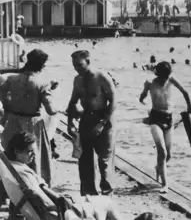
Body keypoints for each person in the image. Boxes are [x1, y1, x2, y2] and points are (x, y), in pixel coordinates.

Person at [4, 131, 137, 220]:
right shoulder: (22, 172)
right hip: (58, 213)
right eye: (29, 152)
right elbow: (42, 200)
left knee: (103, 202)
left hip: (49, 211)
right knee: (107, 204)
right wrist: (66, 206)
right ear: (17, 151)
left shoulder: (11, 168)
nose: (33, 156)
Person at [0, 49, 61, 186]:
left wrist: (8, 106)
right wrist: (59, 107)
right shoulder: (42, 83)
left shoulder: (12, 79)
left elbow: (2, 92)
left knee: (12, 156)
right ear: (41, 65)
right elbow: (51, 110)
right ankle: (37, 187)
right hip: (32, 124)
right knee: (35, 157)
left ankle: (10, 188)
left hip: (13, 121)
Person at [67, 50, 117, 196]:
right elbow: (72, 102)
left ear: (88, 62)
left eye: (80, 65)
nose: (77, 68)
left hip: (104, 118)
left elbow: (114, 101)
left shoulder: (101, 77)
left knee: (104, 159)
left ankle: (107, 193)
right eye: (75, 66)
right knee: (84, 159)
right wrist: (70, 123)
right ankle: (88, 194)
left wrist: (102, 123)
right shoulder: (77, 80)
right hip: (87, 119)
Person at [139, 61, 191, 193]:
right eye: (163, 77)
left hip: (169, 119)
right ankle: (164, 184)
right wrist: (144, 100)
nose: (165, 80)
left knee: (169, 156)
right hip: (155, 119)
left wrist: (190, 107)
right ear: (157, 74)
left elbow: (185, 92)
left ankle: (158, 168)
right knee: (162, 151)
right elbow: (142, 97)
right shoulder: (150, 83)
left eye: (167, 77)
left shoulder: (171, 79)